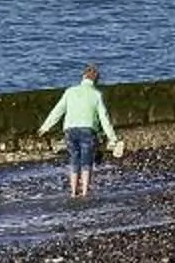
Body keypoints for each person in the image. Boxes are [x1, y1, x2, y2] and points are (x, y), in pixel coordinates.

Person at [38, 65, 121, 198]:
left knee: (74, 160)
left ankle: (73, 192)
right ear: (96, 81)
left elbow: (57, 111)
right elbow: (104, 118)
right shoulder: (96, 94)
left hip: (70, 129)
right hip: (88, 129)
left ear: (83, 77)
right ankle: (84, 192)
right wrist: (113, 137)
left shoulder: (70, 91)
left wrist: (45, 127)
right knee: (86, 162)